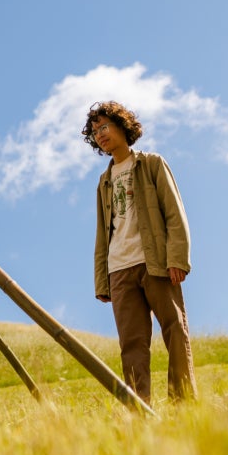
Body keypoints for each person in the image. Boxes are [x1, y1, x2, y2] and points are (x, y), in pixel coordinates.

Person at [84, 101, 197, 403]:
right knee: (131, 345)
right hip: (119, 269)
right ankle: (139, 411)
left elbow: (175, 214)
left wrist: (177, 258)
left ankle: (183, 403)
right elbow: (101, 234)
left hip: (156, 263)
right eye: (95, 132)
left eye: (105, 126)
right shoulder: (103, 182)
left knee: (175, 332)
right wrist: (102, 280)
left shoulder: (151, 164)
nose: (100, 135)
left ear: (123, 126)